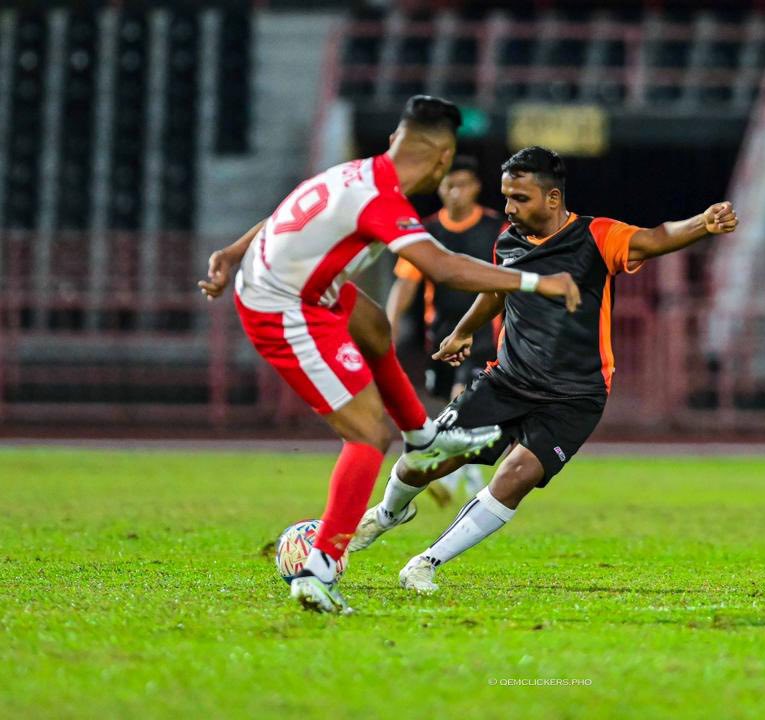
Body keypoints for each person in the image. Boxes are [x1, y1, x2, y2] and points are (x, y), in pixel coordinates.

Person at [197, 98, 581, 613]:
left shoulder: (354, 174)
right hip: (284, 307)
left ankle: (422, 438)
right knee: (368, 436)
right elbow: (443, 268)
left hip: (303, 285)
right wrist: (536, 281)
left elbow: (283, 214)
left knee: (375, 325)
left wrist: (231, 252)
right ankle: (319, 568)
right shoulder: (382, 200)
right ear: (442, 159)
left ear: (396, 139)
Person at [347, 146, 739, 593]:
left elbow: (654, 238)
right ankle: (387, 514)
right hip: (507, 382)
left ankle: (425, 563)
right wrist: (462, 332)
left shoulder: (597, 236)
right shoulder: (508, 242)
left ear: (552, 198)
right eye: (506, 197)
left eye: (520, 198)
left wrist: (702, 223)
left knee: (516, 476)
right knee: (426, 458)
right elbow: (496, 290)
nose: (509, 208)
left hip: (575, 395)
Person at [386, 154, 505, 504]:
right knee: (445, 398)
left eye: (462, 185)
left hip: (483, 332)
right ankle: (468, 469)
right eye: (449, 185)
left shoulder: (496, 229)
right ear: (439, 188)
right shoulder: (424, 234)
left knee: (460, 394)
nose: (455, 192)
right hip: (439, 334)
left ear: (476, 187)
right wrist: (390, 326)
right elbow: (406, 283)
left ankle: (450, 478)